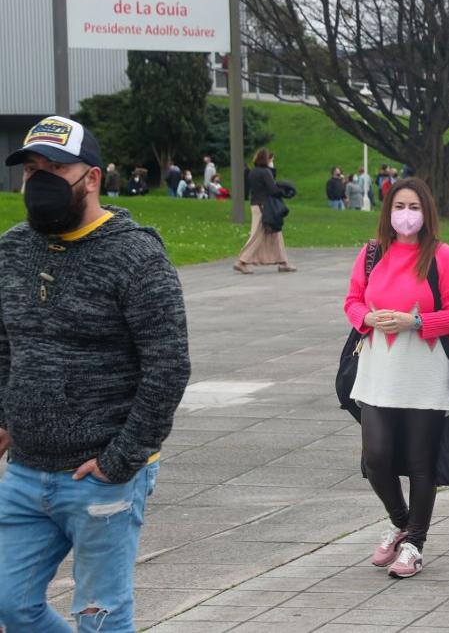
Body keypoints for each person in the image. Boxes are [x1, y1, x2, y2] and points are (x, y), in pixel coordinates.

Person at [0, 115, 190, 631]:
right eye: (31, 169)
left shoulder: (135, 256)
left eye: (55, 168)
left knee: (100, 617)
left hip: (100, 476)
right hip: (24, 471)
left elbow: (168, 365)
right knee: (11, 606)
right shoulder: (13, 249)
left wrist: (122, 459)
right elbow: (5, 344)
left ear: (92, 178)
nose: (38, 181)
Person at [345, 177, 449, 579]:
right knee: (376, 458)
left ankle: (415, 542)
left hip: (424, 370)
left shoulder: (442, 256)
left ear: (427, 212)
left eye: (414, 207)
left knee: (421, 462)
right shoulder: (370, 253)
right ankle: (401, 522)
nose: (406, 214)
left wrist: (414, 321)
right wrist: (365, 317)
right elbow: (352, 300)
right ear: (388, 211)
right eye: (399, 206)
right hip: (378, 369)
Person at [234, 148, 296, 274]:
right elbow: (272, 189)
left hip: (257, 204)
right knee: (258, 234)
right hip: (264, 206)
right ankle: (241, 261)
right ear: (266, 159)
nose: (272, 161)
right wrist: (284, 191)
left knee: (275, 233)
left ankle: (283, 261)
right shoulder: (265, 172)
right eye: (271, 159)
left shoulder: (253, 172)